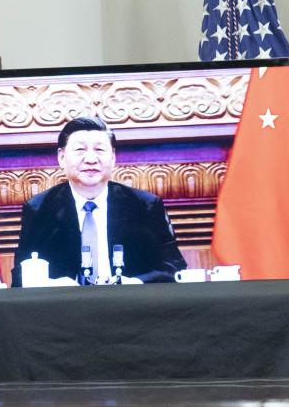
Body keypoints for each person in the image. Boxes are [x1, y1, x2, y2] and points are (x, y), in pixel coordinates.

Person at [12, 116, 186, 285]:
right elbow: (21, 275)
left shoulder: (144, 205)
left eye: (100, 150)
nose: (90, 159)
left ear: (113, 157)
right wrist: (54, 285)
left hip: (132, 307)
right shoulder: (40, 209)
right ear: (62, 157)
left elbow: (174, 267)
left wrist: (133, 283)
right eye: (80, 150)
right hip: (65, 310)